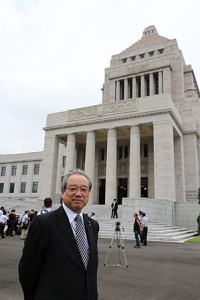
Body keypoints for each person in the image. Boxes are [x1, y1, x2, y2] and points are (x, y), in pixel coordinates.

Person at [18, 168, 99, 300]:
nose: (79, 194)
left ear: (88, 193)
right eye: (73, 188)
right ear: (63, 192)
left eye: (84, 189)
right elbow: (27, 270)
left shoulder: (92, 225)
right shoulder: (44, 223)